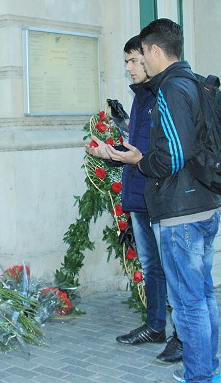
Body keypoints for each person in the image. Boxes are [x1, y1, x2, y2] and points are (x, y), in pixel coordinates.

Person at [91, 19, 221, 383]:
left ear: (155, 51)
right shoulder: (194, 84)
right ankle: (207, 370)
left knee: (189, 302)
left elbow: (170, 157)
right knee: (203, 295)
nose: (139, 64)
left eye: (141, 55)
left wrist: (136, 160)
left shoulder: (173, 89)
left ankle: (199, 376)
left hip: (183, 210)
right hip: (202, 204)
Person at [87, 36, 182, 363]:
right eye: (126, 61)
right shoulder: (141, 97)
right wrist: (110, 153)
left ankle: (182, 336)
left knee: (173, 269)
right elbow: (137, 150)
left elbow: (166, 153)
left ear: (149, 57)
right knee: (152, 267)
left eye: (131, 60)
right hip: (140, 196)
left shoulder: (166, 95)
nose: (127, 67)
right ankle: (156, 326)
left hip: (162, 199)